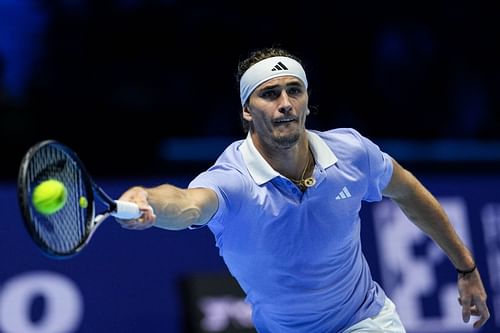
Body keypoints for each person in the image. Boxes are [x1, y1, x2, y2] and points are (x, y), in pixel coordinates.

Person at [115, 47, 490, 332]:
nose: (284, 104)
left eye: (294, 90)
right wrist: (147, 199)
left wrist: (466, 267)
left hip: (366, 320)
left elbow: (408, 193)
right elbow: (186, 203)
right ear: (247, 110)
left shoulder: (352, 152)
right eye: (270, 94)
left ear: (307, 101)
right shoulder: (233, 180)